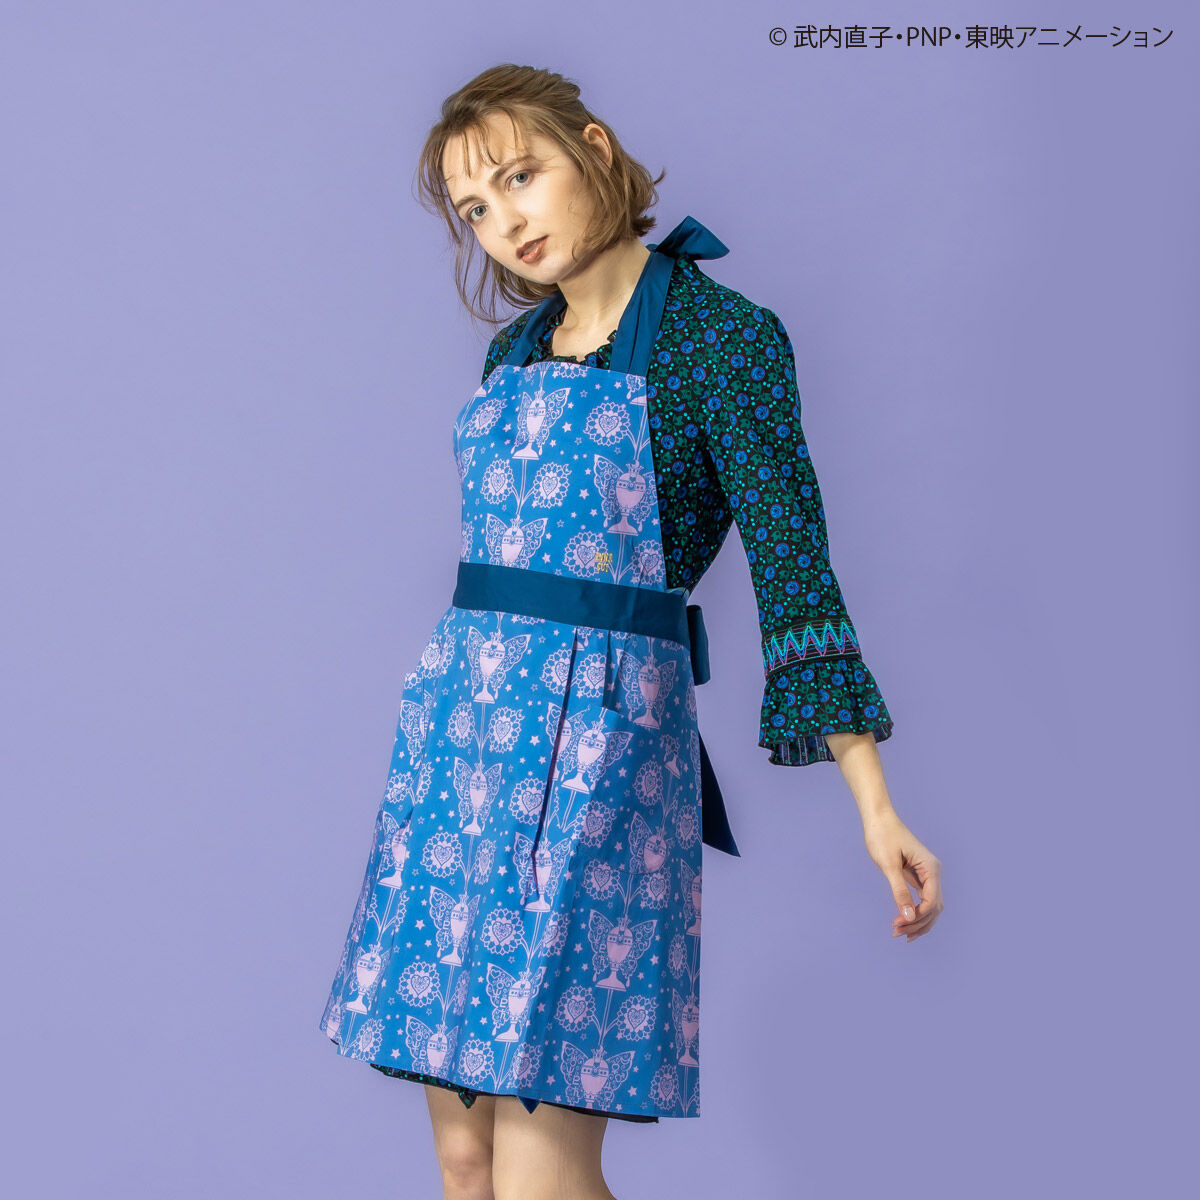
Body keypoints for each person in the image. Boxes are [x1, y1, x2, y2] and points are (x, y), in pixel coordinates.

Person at [318, 63, 944, 1200]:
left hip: (601, 758)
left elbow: (796, 574)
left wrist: (876, 805)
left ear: (595, 149)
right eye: (475, 209)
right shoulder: (512, 355)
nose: (507, 224)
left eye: (522, 176)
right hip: (461, 758)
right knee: (466, 1163)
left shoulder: (723, 340)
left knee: (539, 1177)